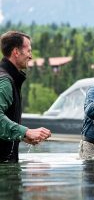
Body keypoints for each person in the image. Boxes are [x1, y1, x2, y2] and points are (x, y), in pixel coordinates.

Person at [0, 31, 51, 162]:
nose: (31, 56)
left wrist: (21, 136)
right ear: (16, 52)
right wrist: (25, 132)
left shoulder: (9, 78)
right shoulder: (5, 81)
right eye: (28, 51)